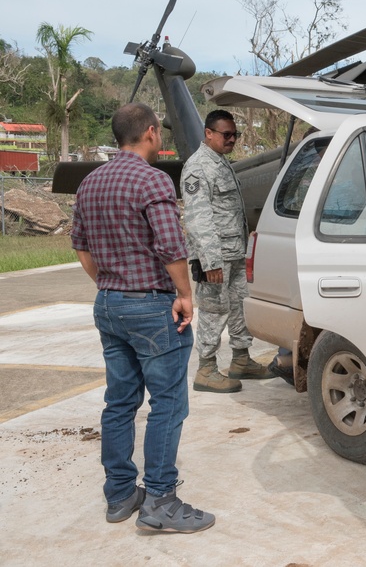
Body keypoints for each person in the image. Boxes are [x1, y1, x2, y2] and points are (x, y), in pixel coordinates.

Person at [72, 102, 214, 533]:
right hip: (151, 307)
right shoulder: (152, 180)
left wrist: (109, 284)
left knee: (119, 401)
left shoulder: (90, 182)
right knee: (168, 404)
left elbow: (81, 247)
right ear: (151, 132)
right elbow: (172, 249)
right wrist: (185, 295)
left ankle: (119, 494)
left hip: (109, 304)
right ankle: (160, 500)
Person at [181, 110, 275, 393]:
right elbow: (198, 219)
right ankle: (206, 368)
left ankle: (241, 359)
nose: (232, 139)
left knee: (239, 307)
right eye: (226, 134)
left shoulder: (221, 163)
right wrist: (210, 261)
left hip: (234, 253)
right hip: (216, 258)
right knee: (213, 309)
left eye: (236, 135)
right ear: (208, 133)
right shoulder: (198, 167)